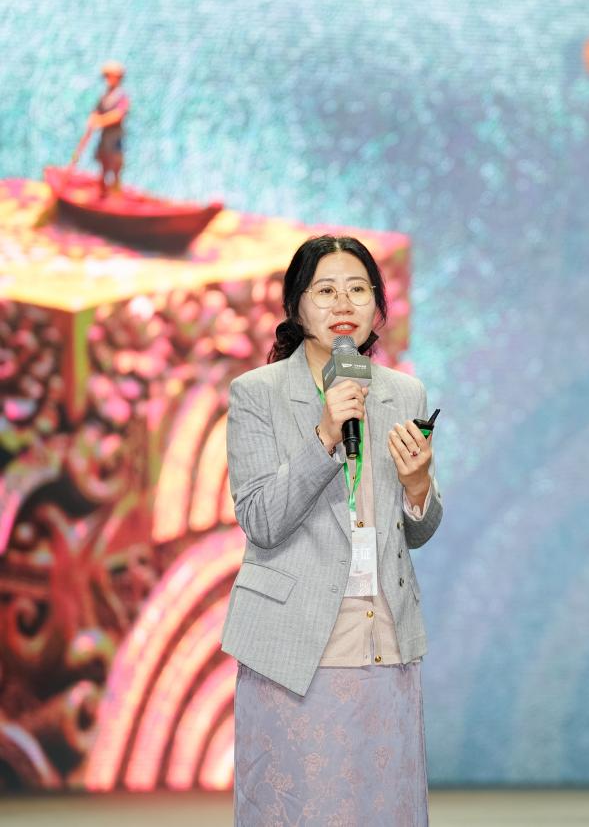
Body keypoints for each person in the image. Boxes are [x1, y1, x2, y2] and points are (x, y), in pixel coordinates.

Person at [222, 235, 443, 825]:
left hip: (384, 639)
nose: (343, 303)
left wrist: (418, 486)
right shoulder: (257, 394)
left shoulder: (404, 393)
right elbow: (262, 521)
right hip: (294, 647)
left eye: (358, 289)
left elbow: (417, 529)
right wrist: (324, 435)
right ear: (296, 307)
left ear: (377, 305)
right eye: (325, 290)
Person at [82, 61, 130, 198]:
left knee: (115, 164)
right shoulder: (105, 95)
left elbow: (119, 115)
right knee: (103, 161)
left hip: (115, 136)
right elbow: (97, 110)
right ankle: (102, 192)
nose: (108, 79)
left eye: (111, 76)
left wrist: (101, 121)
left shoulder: (121, 96)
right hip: (105, 136)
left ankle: (115, 193)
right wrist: (93, 118)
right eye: (107, 76)